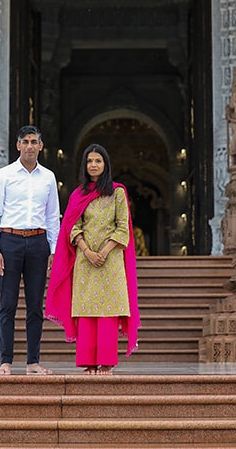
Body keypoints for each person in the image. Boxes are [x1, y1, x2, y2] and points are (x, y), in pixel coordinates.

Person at [46, 144, 140, 375]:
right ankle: (88, 362)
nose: (93, 165)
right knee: (87, 310)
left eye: (98, 161)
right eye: (90, 161)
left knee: (108, 310)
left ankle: (106, 362)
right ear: (85, 166)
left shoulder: (117, 192)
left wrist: (104, 252)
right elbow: (72, 226)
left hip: (111, 260)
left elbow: (122, 228)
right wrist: (87, 251)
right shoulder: (79, 194)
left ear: (105, 165)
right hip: (85, 259)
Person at [0, 125, 60, 375]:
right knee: (7, 304)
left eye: (34, 141)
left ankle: (33, 362)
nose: (30, 146)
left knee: (35, 306)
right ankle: (5, 361)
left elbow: (52, 217)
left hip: (38, 243)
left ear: (41, 146)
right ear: (18, 145)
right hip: (9, 241)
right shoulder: (4, 175)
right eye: (25, 141)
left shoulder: (48, 177)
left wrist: (54, 249)